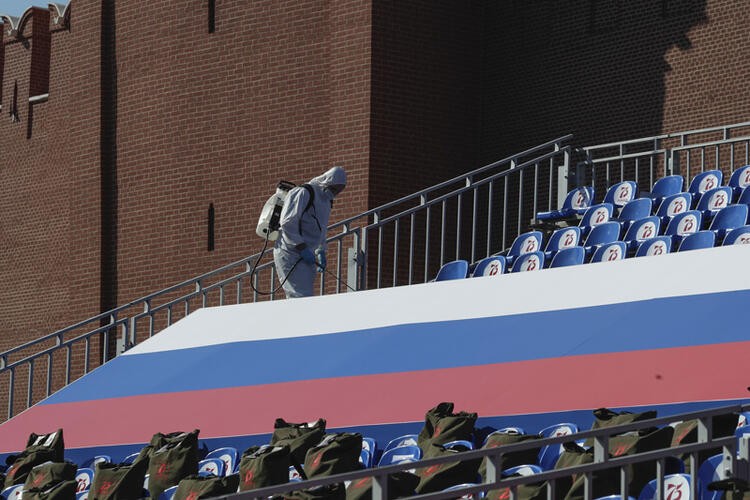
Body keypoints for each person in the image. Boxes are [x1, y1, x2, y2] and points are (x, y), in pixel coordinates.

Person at [273, 166, 347, 298]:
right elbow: (287, 223)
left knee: (305, 295)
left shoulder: (326, 201)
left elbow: (322, 228)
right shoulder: (303, 193)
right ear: (327, 181)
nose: (335, 193)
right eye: (334, 189)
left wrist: (321, 250)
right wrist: (301, 247)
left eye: (339, 191)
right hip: (290, 252)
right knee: (299, 295)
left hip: (308, 253)